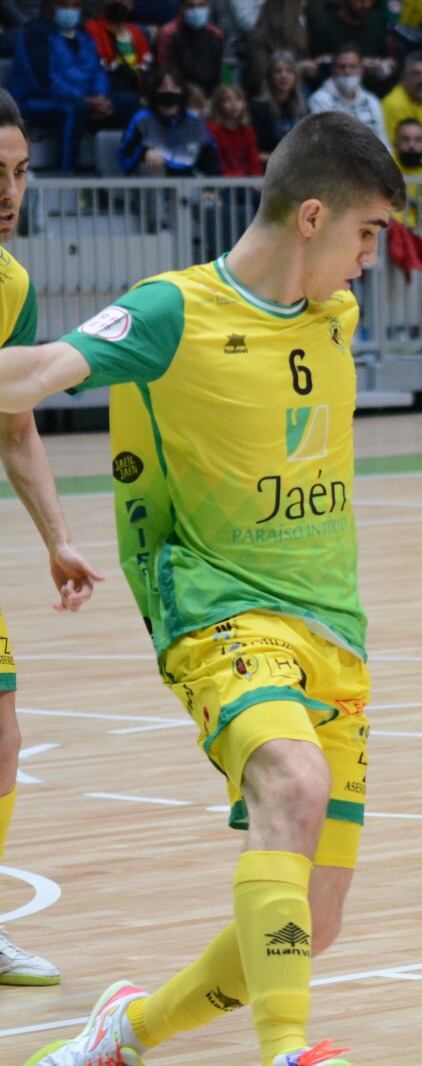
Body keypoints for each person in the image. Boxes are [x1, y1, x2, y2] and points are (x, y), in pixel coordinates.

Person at [11, 110, 404, 1066]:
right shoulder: (168, 312)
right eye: (368, 236)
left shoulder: (333, 312)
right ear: (312, 218)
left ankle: (126, 1032)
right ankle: (288, 1053)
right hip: (217, 612)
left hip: (335, 631)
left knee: (312, 925)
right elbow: (40, 371)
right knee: (292, 780)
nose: (371, 263)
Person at [0, 87, 103, 992]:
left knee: (0, 733)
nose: (8, 191)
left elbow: (16, 421)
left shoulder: (14, 287)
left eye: (21, 172)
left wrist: (56, 538)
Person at [9, 0, 119, 172]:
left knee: (127, 105)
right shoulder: (35, 34)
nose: (69, 10)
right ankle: (66, 176)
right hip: (33, 102)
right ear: (49, 6)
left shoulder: (84, 35)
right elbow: (43, 82)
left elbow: (97, 71)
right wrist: (84, 100)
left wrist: (101, 97)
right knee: (73, 110)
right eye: (63, 4)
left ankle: (118, 186)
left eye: (75, 5)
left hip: (84, 101)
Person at [118, 67, 218, 174]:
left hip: (188, 181)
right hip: (150, 179)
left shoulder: (194, 121)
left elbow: (210, 156)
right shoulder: (141, 119)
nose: (169, 91)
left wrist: (209, 188)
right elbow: (124, 155)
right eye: (163, 87)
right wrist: (145, 152)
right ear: (154, 90)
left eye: (175, 87)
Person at [308, 43, 389, 150]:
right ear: (333, 70)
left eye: (353, 66)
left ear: (361, 70)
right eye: (342, 67)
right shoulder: (319, 100)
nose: (347, 72)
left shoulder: (372, 101)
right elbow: (327, 144)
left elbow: (383, 142)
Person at [306, 0, 393, 85]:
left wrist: (386, 65)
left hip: (371, 91)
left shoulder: (377, 23)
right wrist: (359, 64)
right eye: (359, 1)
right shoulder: (323, 27)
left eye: (369, 0)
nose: (365, 5)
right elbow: (318, 67)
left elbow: (387, 59)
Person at [83, 0, 153, 105]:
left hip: (135, 86)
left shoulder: (137, 32)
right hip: (109, 86)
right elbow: (98, 67)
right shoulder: (91, 28)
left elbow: (145, 64)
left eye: (126, 1)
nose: (120, 3)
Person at [155, 0, 226, 94]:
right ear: (181, 9)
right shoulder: (168, 34)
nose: (196, 10)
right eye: (190, 6)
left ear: (208, 9)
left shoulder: (216, 35)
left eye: (201, 6)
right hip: (177, 93)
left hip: (209, 95)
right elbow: (165, 71)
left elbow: (219, 73)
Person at [250, 49, 309, 158]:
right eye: (278, 71)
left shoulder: (304, 107)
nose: (283, 76)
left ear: (295, 77)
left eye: (289, 71)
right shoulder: (257, 107)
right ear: (269, 77)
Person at [208, 82, 264, 174]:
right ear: (218, 105)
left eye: (238, 100)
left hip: (247, 182)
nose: (234, 104)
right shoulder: (213, 130)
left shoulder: (247, 130)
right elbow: (217, 161)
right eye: (227, 100)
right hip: (221, 181)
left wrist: (254, 178)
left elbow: (253, 160)